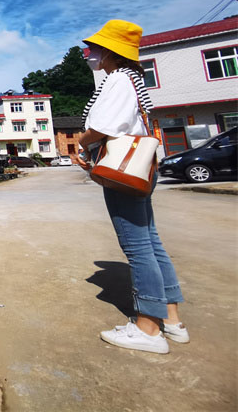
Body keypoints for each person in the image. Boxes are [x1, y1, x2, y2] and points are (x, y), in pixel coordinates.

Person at [71, 19, 188, 354]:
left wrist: (81, 142)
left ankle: (148, 328)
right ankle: (171, 320)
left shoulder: (118, 79)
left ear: (110, 51)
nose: (90, 54)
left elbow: (104, 126)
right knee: (151, 242)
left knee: (137, 248)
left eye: (95, 48)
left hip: (123, 173)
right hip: (138, 169)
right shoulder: (131, 78)